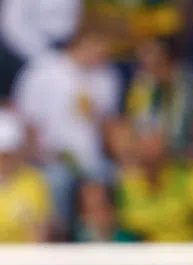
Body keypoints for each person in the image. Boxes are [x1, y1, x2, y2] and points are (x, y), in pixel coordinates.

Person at [11, 20, 119, 182]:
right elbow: (27, 119)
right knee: (58, 180)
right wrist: (34, 160)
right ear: (85, 42)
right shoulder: (44, 70)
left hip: (92, 161)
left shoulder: (106, 76)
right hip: (51, 163)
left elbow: (108, 125)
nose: (105, 56)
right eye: (101, 50)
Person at [118, 121, 193, 241]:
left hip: (185, 255)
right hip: (140, 257)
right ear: (135, 150)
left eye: (155, 145)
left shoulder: (189, 177)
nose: (150, 153)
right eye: (144, 146)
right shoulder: (125, 184)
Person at [0, 109, 50, 242]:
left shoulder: (34, 181)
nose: (4, 159)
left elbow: (40, 233)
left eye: (8, 154)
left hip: (25, 260)